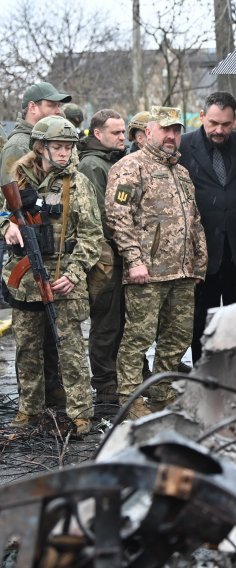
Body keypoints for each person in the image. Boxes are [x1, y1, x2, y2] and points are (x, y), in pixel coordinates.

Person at [2, 116, 103, 434]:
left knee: (70, 347)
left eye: (68, 147)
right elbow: (2, 215)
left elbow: (92, 235)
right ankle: (28, 410)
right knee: (27, 347)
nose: (64, 153)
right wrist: (8, 226)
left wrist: (74, 273)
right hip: (24, 279)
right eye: (57, 147)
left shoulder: (78, 183)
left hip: (62, 276)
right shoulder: (17, 179)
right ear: (40, 147)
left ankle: (81, 412)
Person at [105, 106, 208, 419]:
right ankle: (131, 399)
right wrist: (134, 260)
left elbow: (194, 219)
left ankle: (162, 396)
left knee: (177, 339)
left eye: (176, 130)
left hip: (183, 271)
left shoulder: (181, 171)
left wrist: (199, 261)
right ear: (147, 133)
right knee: (138, 338)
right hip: (147, 274)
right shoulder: (130, 167)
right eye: (165, 129)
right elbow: (117, 216)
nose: (172, 136)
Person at [0, 81, 71, 407]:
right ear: (32, 107)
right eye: (51, 104)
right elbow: (6, 199)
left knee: (48, 336)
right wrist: (8, 224)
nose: (59, 109)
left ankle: (48, 399)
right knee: (31, 339)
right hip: (27, 254)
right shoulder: (19, 148)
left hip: (47, 252)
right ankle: (34, 404)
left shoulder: (47, 142)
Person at [179, 92, 236, 363]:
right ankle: (205, 374)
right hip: (202, 253)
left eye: (226, 124)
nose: (219, 130)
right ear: (202, 116)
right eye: (213, 122)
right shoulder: (184, 145)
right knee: (201, 321)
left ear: (235, 121)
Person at [77, 109, 128, 405]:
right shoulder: (93, 165)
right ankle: (105, 382)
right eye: (116, 133)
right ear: (98, 134)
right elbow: (100, 215)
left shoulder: (113, 160)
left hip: (118, 252)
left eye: (123, 132)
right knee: (106, 320)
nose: (122, 137)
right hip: (104, 255)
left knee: (120, 318)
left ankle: (116, 377)